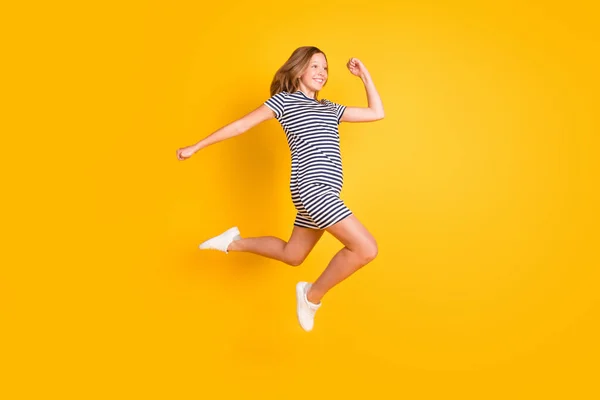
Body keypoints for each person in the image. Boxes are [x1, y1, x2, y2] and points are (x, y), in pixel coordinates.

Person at [176, 46, 384, 332]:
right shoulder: (284, 102)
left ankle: (232, 242)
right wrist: (196, 147)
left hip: (325, 193)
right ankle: (311, 296)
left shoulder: (329, 108)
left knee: (293, 255)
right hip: (312, 190)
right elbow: (240, 126)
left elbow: (377, 112)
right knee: (365, 248)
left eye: (325, 68)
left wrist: (364, 76)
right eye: (314, 66)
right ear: (298, 70)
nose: (321, 73)